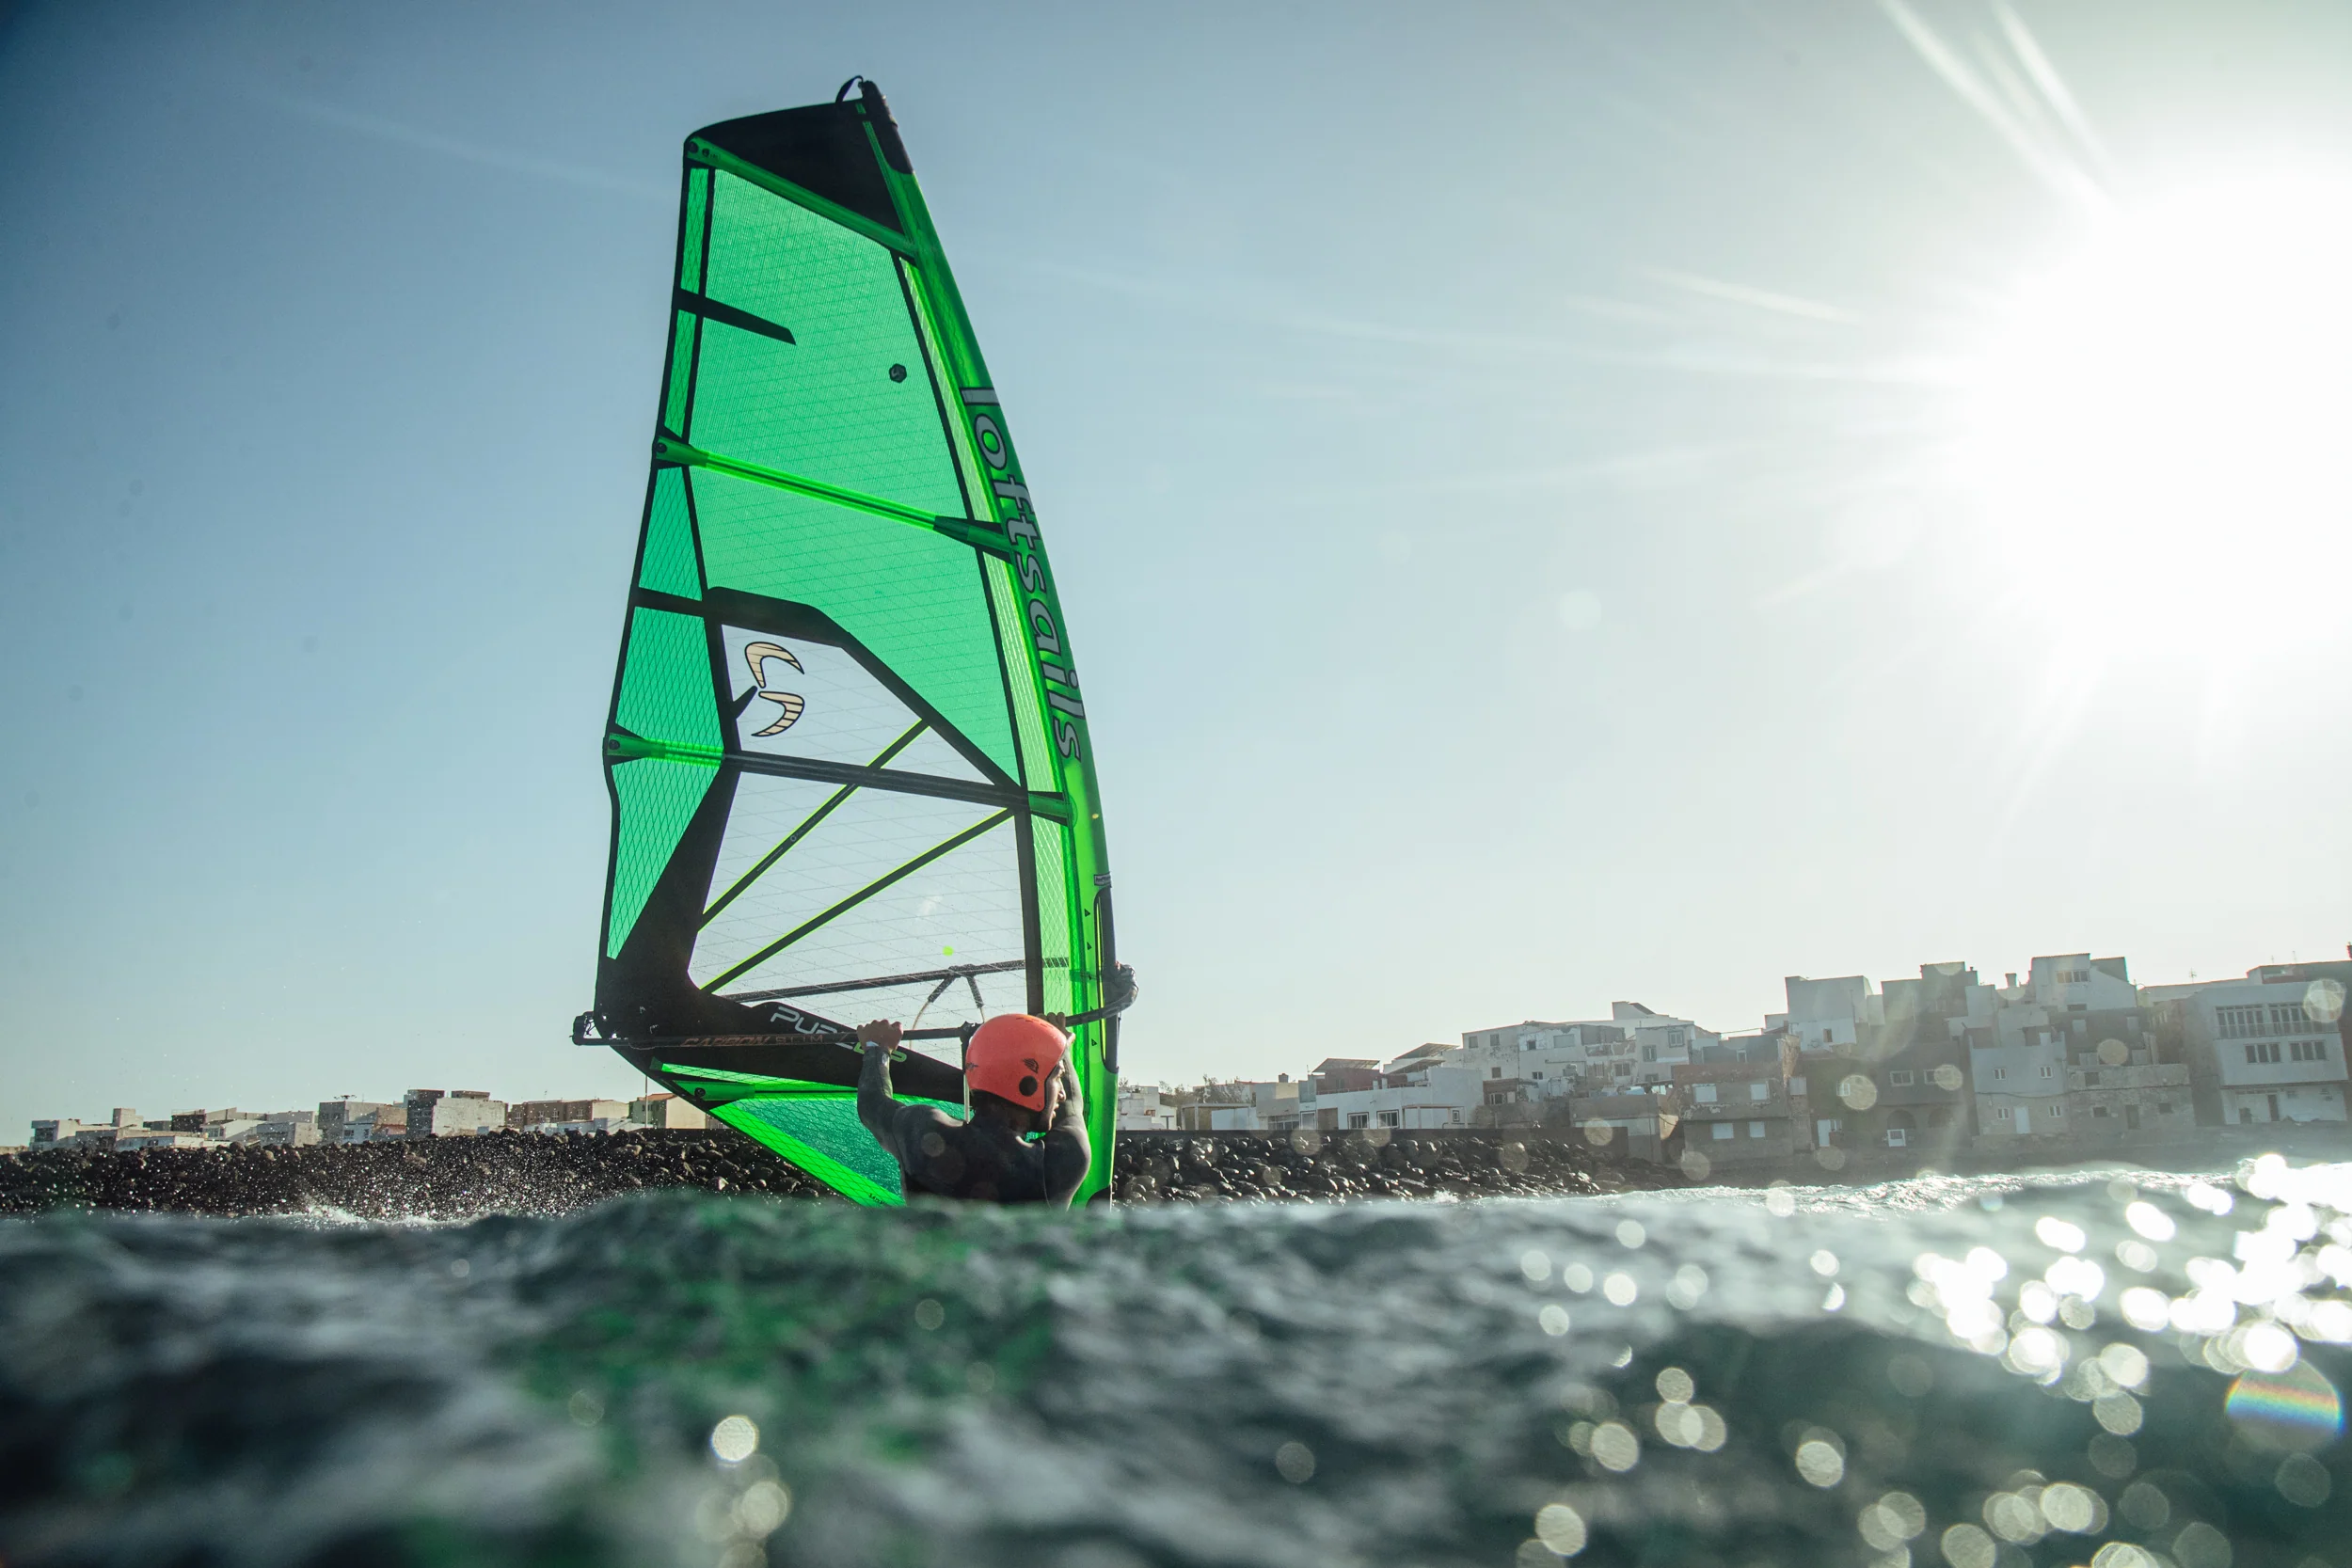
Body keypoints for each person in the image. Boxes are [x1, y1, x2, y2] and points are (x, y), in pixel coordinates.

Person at [856, 1012, 1090, 1205]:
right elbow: (1071, 1110)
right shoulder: (1057, 1164)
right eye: (1056, 1078)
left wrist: (877, 1048)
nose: (1061, 1093)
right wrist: (1062, 1048)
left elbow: (872, 1103)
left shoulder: (922, 1131)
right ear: (1027, 1084)